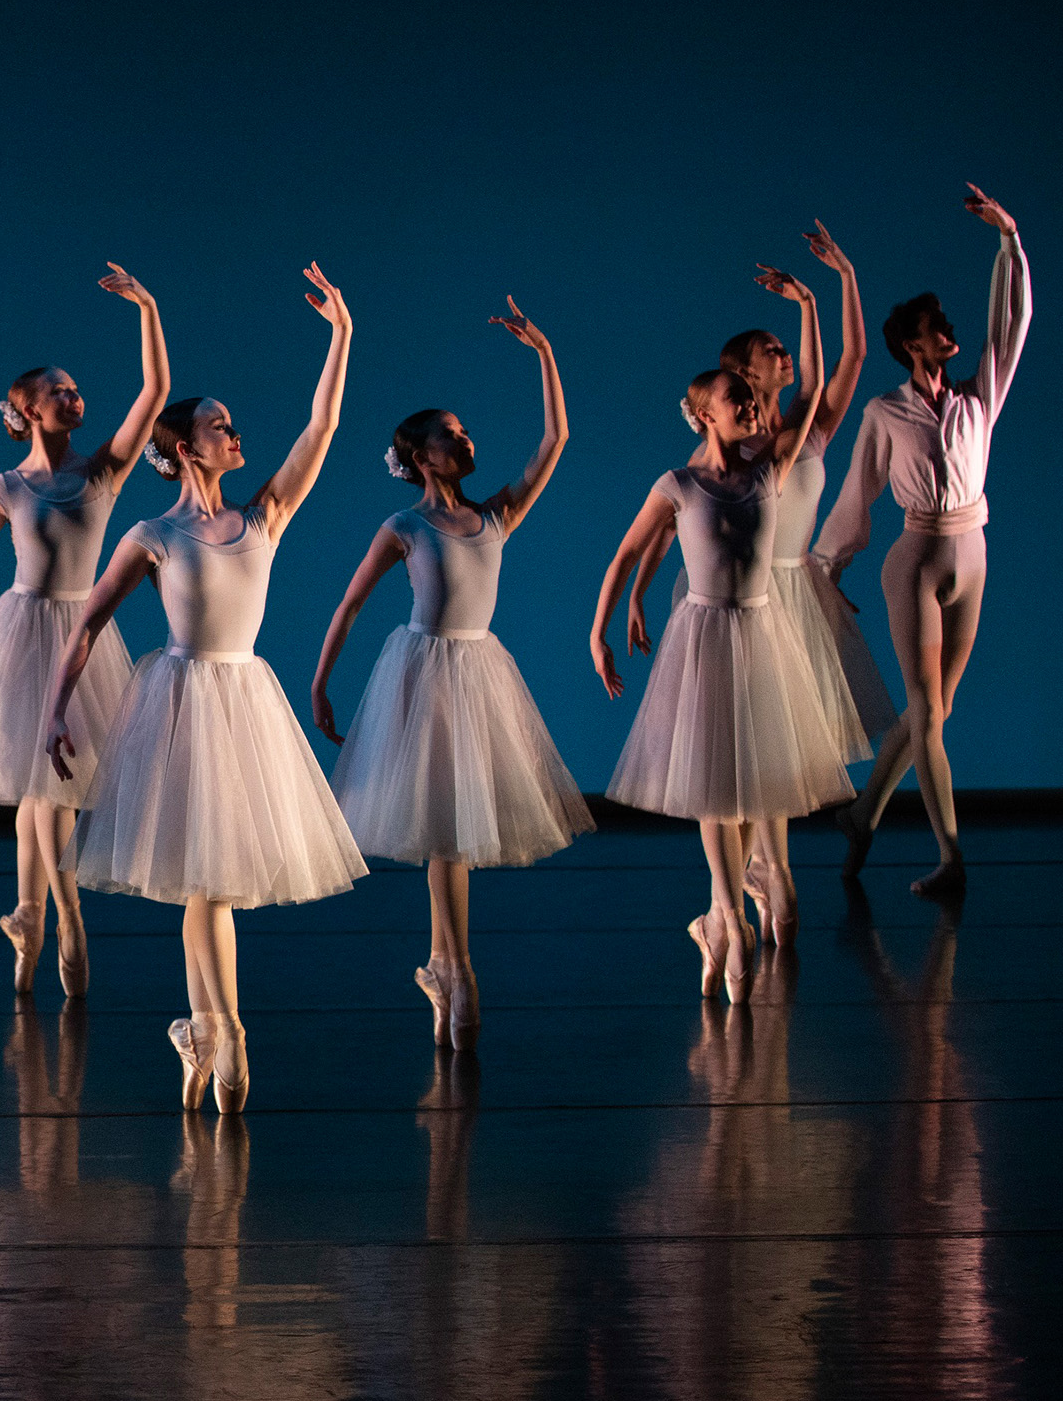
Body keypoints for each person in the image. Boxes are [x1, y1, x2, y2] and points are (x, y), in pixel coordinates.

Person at [46, 264, 365, 1114]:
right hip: (182, 707)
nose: (236, 433)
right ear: (187, 446)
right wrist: (52, 710)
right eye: (220, 426)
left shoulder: (263, 516)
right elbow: (84, 625)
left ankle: (208, 1028)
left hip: (244, 703)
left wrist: (340, 334)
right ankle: (224, 1029)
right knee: (204, 882)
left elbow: (321, 425)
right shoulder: (153, 533)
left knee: (213, 881)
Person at [310, 299, 591, 1049]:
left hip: (478, 670)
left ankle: (447, 964)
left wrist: (543, 350)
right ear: (423, 456)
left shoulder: (496, 515)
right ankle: (456, 968)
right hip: (421, 671)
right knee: (442, 828)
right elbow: (352, 600)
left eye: (467, 432)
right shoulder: (405, 527)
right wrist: (322, 677)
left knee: (456, 832)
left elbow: (556, 439)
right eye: (451, 434)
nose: (466, 439)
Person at [590, 303, 854, 1004]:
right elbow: (625, 553)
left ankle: (721, 916)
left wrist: (810, 306)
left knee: (751, 784)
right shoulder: (678, 484)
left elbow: (820, 385)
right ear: (707, 414)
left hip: (762, 631)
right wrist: (603, 626)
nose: (753, 409)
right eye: (738, 400)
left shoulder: (769, 468)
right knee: (715, 782)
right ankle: (730, 920)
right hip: (705, 635)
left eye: (752, 401)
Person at [0, 263, 169, 998]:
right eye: (56, 390)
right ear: (26, 410)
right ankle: (59, 913)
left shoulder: (103, 473)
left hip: (81, 633)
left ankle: (34, 911)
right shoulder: (7, 486)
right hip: (21, 631)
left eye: (75, 387)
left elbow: (153, 395)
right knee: (39, 786)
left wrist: (147, 307)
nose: (72, 394)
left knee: (51, 787)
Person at [628, 239, 886, 946]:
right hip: (737, 597)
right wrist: (637, 593)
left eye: (785, 346)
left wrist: (831, 286)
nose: (785, 355)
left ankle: (767, 876)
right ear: (736, 376)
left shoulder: (802, 429)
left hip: (793, 589)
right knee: (743, 746)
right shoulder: (729, 449)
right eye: (771, 348)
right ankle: (756, 878)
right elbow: (663, 522)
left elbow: (851, 361)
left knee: (782, 748)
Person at [815, 188, 1030, 900]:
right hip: (914, 564)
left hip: (972, 554)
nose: (950, 331)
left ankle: (864, 814)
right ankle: (952, 857)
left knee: (933, 712)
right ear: (912, 341)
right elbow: (859, 489)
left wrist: (1009, 240)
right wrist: (829, 563)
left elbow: (1013, 323)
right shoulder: (885, 411)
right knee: (928, 711)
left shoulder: (976, 399)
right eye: (937, 325)